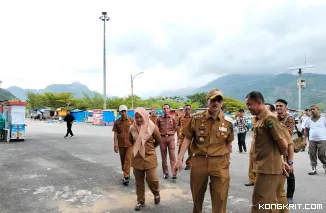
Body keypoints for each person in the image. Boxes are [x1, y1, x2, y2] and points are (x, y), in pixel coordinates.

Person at [176, 88, 234, 213]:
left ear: (222, 103)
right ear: (207, 101)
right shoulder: (196, 119)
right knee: (197, 196)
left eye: (219, 100)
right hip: (199, 161)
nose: (216, 103)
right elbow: (187, 138)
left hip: (220, 163)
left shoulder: (228, 122)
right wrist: (179, 158)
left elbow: (229, 145)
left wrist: (227, 162)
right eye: (213, 100)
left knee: (220, 197)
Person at [245, 91, 288, 213]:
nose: (248, 108)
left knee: (261, 203)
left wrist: (280, 161)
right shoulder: (260, 118)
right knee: (269, 203)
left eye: (249, 104)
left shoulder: (269, 118)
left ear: (259, 102)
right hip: (264, 166)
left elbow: (283, 144)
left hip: (269, 168)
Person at [129, 107, 162, 211]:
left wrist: (149, 148)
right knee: (138, 181)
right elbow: (131, 141)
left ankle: (156, 193)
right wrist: (139, 147)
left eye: (141, 117)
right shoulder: (132, 128)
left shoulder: (152, 127)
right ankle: (140, 201)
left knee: (152, 179)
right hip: (137, 158)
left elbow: (158, 140)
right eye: (136, 117)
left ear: (145, 116)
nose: (138, 119)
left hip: (149, 156)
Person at [275, 99, 295, 204]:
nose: (278, 108)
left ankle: (290, 196)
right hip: (275, 151)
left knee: (289, 173)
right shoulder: (274, 118)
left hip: (286, 150)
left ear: (286, 108)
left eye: (280, 106)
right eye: (277, 106)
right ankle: (278, 194)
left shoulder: (290, 118)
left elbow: (287, 134)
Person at [112, 105, 135, 185]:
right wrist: (115, 145)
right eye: (122, 111)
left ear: (127, 111)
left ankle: (126, 176)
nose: (123, 112)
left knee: (128, 159)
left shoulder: (132, 120)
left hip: (130, 144)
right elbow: (115, 134)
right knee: (122, 160)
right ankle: (125, 173)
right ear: (120, 112)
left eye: (124, 111)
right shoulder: (117, 122)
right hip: (121, 144)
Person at [156, 104, 177, 179]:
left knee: (172, 155)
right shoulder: (159, 119)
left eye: (167, 108)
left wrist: (171, 134)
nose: (166, 110)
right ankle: (166, 172)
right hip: (162, 139)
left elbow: (175, 128)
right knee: (164, 156)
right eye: (164, 108)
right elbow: (156, 129)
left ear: (169, 109)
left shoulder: (173, 118)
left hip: (170, 138)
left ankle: (174, 172)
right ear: (162, 110)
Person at [304, 104, 326, 175]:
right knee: (312, 154)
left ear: (317, 110)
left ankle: (324, 164)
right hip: (312, 140)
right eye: (311, 110)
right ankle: (313, 168)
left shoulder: (323, 119)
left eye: (314, 109)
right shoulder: (308, 120)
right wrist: (305, 140)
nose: (312, 111)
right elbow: (306, 130)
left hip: (322, 140)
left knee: (321, 154)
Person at [177, 104, 193, 170]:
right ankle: (179, 163)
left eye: (189, 109)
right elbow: (178, 126)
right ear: (184, 110)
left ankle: (188, 164)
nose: (187, 110)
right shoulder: (180, 117)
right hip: (182, 137)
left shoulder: (193, 117)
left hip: (191, 137)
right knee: (180, 151)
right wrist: (178, 135)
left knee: (191, 151)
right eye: (186, 109)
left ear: (190, 110)